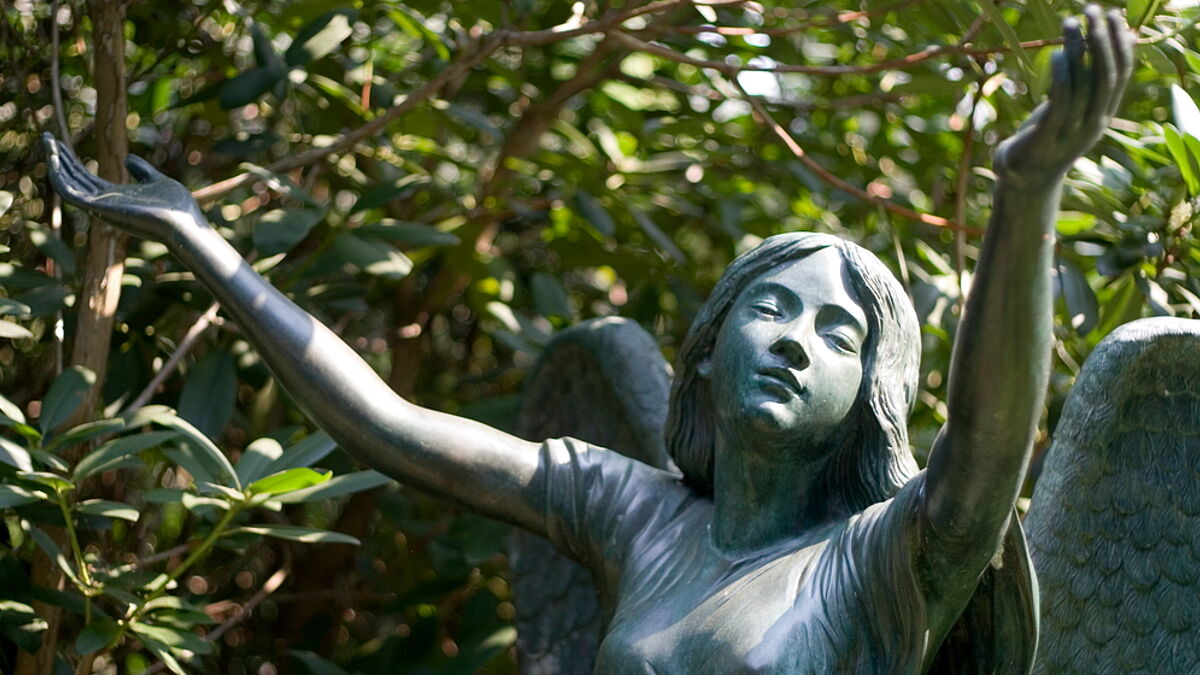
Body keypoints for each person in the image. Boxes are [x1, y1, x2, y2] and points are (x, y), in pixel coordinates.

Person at [45, 8, 1132, 672]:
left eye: (837, 331)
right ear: (707, 348)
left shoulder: (888, 558)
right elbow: (385, 425)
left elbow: (988, 444)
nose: (796, 340)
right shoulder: (632, 513)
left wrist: (1026, 191)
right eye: (772, 306)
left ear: (871, 395)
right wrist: (204, 244)